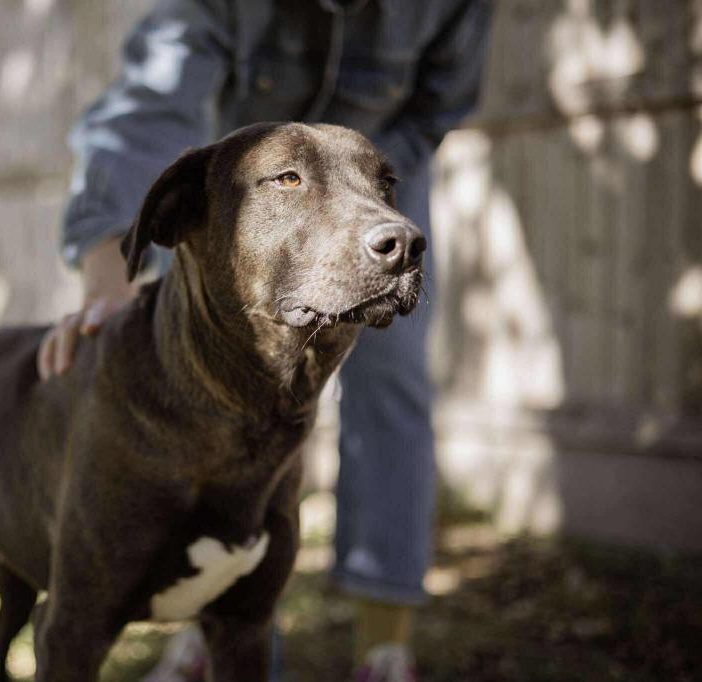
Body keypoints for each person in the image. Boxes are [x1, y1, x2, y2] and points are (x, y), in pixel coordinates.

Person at [37, 1, 492, 680]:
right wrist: (106, 266)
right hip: (256, 169)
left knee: (393, 373)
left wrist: (367, 189)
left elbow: (440, 102)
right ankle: (217, 607)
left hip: (375, 176)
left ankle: (384, 646)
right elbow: (145, 108)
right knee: (216, 375)